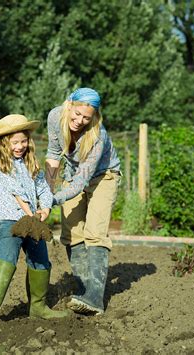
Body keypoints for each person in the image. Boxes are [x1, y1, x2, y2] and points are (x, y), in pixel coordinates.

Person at [0, 114, 69, 328]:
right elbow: (15, 190)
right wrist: (31, 213)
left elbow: (43, 187)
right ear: (4, 142)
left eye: (23, 141)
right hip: (9, 218)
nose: (19, 146)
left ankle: (38, 308)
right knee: (6, 261)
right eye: (15, 142)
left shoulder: (31, 162)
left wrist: (45, 208)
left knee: (41, 260)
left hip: (32, 218)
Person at [45, 88, 121, 315]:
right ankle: (84, 291)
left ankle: (95, 298)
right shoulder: (55, 117)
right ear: (69, 104)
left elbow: (82, 181)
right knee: (71, 234)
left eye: (86, 118)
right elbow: (53, 153)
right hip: (73, 174)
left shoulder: (98, 135)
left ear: (94, 117)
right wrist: (46, 192)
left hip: (102, 176)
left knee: (94, 232)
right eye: (76, 114)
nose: (79, 121)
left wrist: (54, 199)